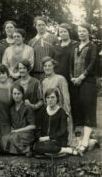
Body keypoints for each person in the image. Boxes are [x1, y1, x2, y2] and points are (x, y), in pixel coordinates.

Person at [69, 23, 98, 154]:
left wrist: (81, 77)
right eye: (79, 31)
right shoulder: (75, 46)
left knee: (88, 110)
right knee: (77, 110)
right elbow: (70, 63)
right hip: (75, 83)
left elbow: (92, 64)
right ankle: (81, 141)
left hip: (88, 83)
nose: (81, 33)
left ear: (88, 32)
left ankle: (86, 142)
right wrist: (71, 77)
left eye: (84, 31)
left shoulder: (93, 47)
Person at [34, 88, 81, 156]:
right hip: (44, 140)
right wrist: (39, 137)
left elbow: (62, 131)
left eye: (53, 97)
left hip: (58, 140)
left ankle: (65, 150)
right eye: (48, 97)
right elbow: (38, 127)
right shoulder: (42, 111)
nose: (50, 100)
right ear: (45, 99)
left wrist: (48, 138)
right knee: (35, 147)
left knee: (45, 147)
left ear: (57, 98)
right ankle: (61, 150)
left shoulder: (62, 112)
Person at [42, 57, 73, 145]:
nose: (47, 68)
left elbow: (66, 96)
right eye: (45, 66)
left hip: (61, 111)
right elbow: (45, 99)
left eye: (49, 65)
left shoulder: (60, 79)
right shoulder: (44, 82)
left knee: (65, 139)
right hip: (51, 113)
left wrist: (66, 112)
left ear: (53, 66)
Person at [0, 85, 35, 156]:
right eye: (14, 94)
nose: (16, 96)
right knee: (3, 139)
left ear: (22, 95)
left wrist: (17, 131)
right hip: (16, 134)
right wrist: (14, 131)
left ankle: (30, 149)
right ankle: (25, 150)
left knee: (14, 138)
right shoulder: (11, 109)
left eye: (19, 93)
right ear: (12, 95)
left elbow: (33, 126)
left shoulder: (27, 107)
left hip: (27, 133)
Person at [29, 16, 59, 80]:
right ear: (35, 26)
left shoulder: (54, 38)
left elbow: (58, 56)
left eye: (43, 25)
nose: (41, 27)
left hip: (50, 73)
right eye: (39, 25)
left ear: (46, 25)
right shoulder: (31, 41)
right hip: (35, 74)